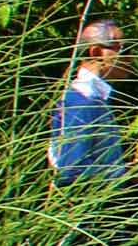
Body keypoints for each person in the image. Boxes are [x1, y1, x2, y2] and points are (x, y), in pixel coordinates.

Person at [51, 18, 131, 184]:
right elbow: (71, 170)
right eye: (123, 49)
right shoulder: (81, 99)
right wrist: (128, 174)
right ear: (95, 53)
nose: (130, 58)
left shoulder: (94, 97)